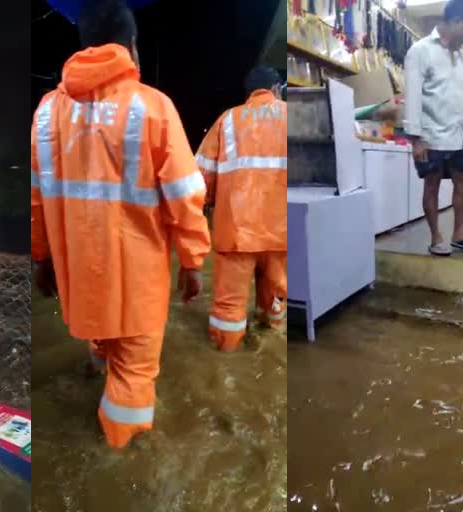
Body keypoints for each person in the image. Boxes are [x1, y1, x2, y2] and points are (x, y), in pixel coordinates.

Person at [30, 0, 211, 449]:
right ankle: (120, 453)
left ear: (82, 44)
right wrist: (192, 260)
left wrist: (42, 258)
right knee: (134, 377)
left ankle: (96, 365)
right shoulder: (153, 107)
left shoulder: (46, 113)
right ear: (132, 44)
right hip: (135, 281)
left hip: (79, 278)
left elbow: (37, 199)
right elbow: (185, 195)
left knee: (98, 335)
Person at [195, 66, 287, 352]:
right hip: (280, 230)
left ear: (248, 93)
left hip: (235, 230)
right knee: (275, 298)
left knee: (228, 309)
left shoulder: (228, 119)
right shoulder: (290, 115)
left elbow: (200, 176)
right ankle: (271, 335)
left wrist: (203, 209)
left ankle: (226, 359)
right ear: (275, 89)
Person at [404, 0, 463, 257]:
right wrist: (416, 139)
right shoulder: (420, 51)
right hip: (431, 136)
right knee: (432, 186)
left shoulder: (460, 59)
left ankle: (459, 234)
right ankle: (436, 237)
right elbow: (412, 96)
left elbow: (455, 97)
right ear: (456, 21)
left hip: (459, 136)